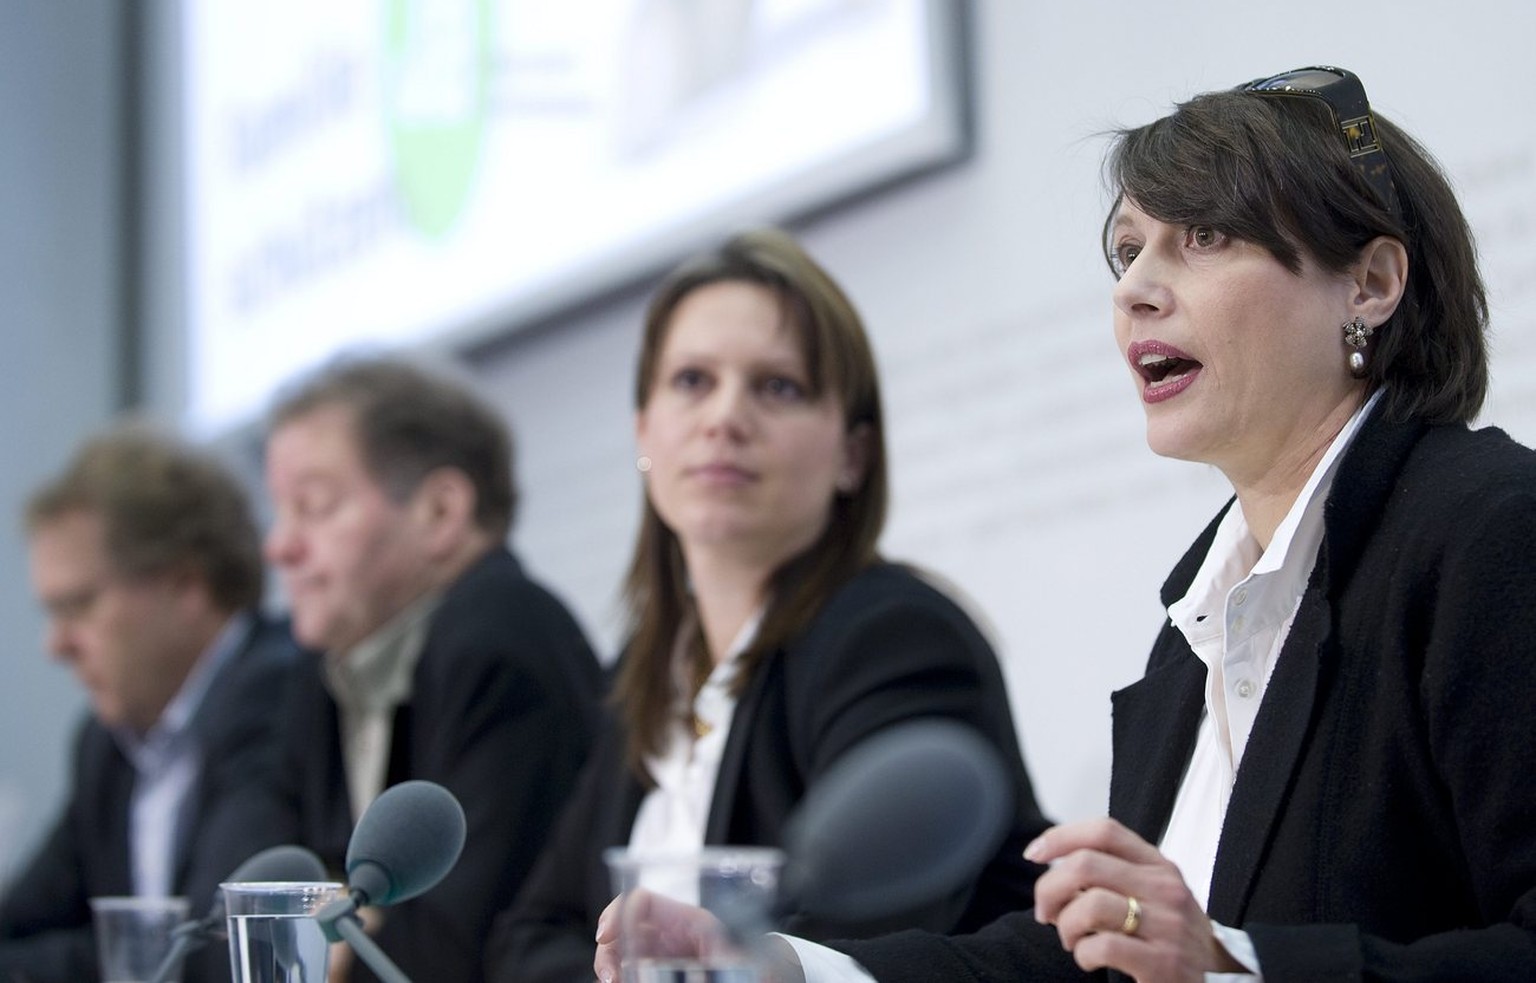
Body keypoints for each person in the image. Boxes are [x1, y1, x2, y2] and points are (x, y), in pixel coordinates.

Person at [596, 66, 1536, 983]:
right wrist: (791, 967)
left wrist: (1236, 966)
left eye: (1205, 237)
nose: (1134, 291)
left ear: (1370, 282)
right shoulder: (1205, 616)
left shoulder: (1491, 534)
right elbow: (1094, 959)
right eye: (1129, 251)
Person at [488, 227, 1050, 983]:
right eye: (692, 380)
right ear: (644, 431)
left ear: (852, 454)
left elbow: (869, 934)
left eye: (777, 386)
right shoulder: (648, 669)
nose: (725, 417)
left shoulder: (894, 636)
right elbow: (531, 936)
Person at [256, 356, 605, 983]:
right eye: (280, 512)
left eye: (313, 506)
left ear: (440, 512)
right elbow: (268, 896)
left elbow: (456, 950)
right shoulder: (326, 668)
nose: (279, 547)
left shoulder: (503, 635)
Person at [0, 427, 296, 983]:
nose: (56, 645)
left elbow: (217, 952)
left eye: (80, 606)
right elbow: (17, 927)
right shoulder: (107, 744)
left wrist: (120, 954)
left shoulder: (279, 693)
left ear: (187, 585)